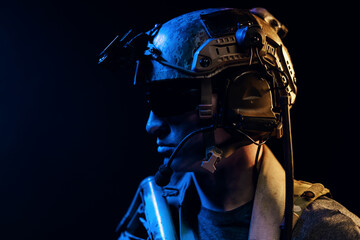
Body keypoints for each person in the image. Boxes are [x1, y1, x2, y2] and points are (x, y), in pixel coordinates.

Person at [99, 7, 360, 240]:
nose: (152, 125)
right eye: (152, 103)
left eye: (172, 102)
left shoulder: (324, 230)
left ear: (247, 98)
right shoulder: (153, 214)